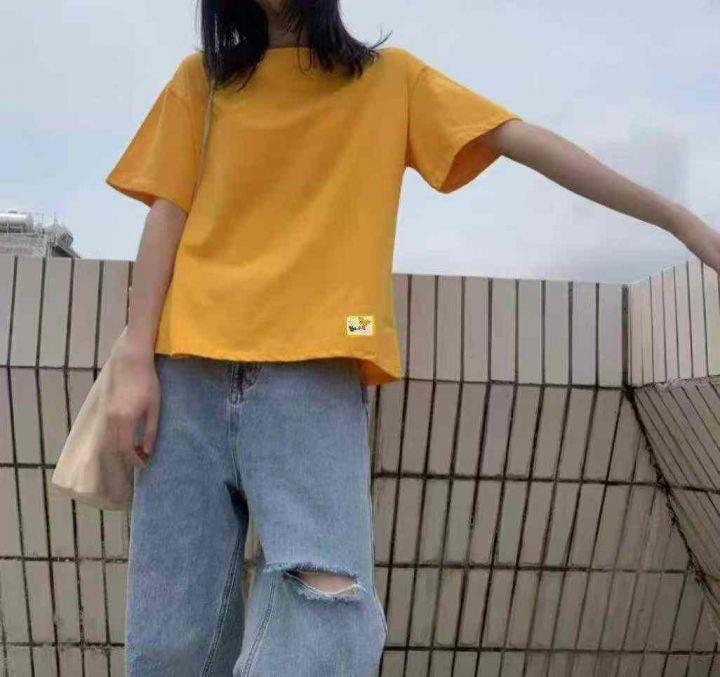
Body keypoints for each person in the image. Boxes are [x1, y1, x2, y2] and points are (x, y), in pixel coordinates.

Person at [103, 0, 720, 675]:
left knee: (329, 613)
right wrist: (136, 357)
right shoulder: (202, 82)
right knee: (171, 634)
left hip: (313, 377)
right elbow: (166, 219)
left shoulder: (389, 79)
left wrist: (678, 220)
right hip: (183, 374)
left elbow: (521, 139)